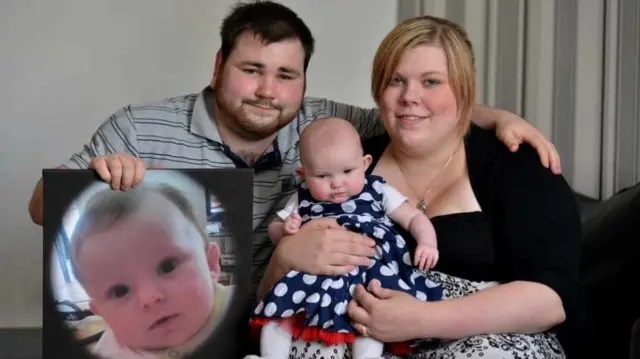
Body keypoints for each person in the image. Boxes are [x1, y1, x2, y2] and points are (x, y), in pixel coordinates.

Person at [26, 0, 563, 356]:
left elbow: (419, 113)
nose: (268, 90)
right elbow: (42, 207)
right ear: (218, 67)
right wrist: (100, 177)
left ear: (304, 81)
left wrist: (494, 118)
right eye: (251, 70)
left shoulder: (332, 129)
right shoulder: (137, 127)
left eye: (286, 75)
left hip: (285, 323)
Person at [261, 14, 582, 359]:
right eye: (396, 80)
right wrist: (284, 256)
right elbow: (270, 298)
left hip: (486, 340)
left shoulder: (518, 165)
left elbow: (551, 299)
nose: (409, 96)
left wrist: (423, 318)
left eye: (431, 82)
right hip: (356, 339)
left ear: (463, 89)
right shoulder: (342, 164)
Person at [248, 117, 441, 359]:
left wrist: (427, 242)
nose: (337, 183)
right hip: (314, 274)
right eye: (322, 176)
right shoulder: (303, 199)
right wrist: (286, 230)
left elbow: (414, 218)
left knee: (369, 312)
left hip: (370, 271)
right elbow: (274, 230)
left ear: (365, 164)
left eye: (347, 171)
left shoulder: (378, 190)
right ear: (303, 175)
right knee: (281, 310)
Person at [69, 185, 233, 359]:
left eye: (168, 266)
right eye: (119, 291)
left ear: (211, 264)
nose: (149, 298)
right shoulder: (109, 351)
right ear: (102, 314)